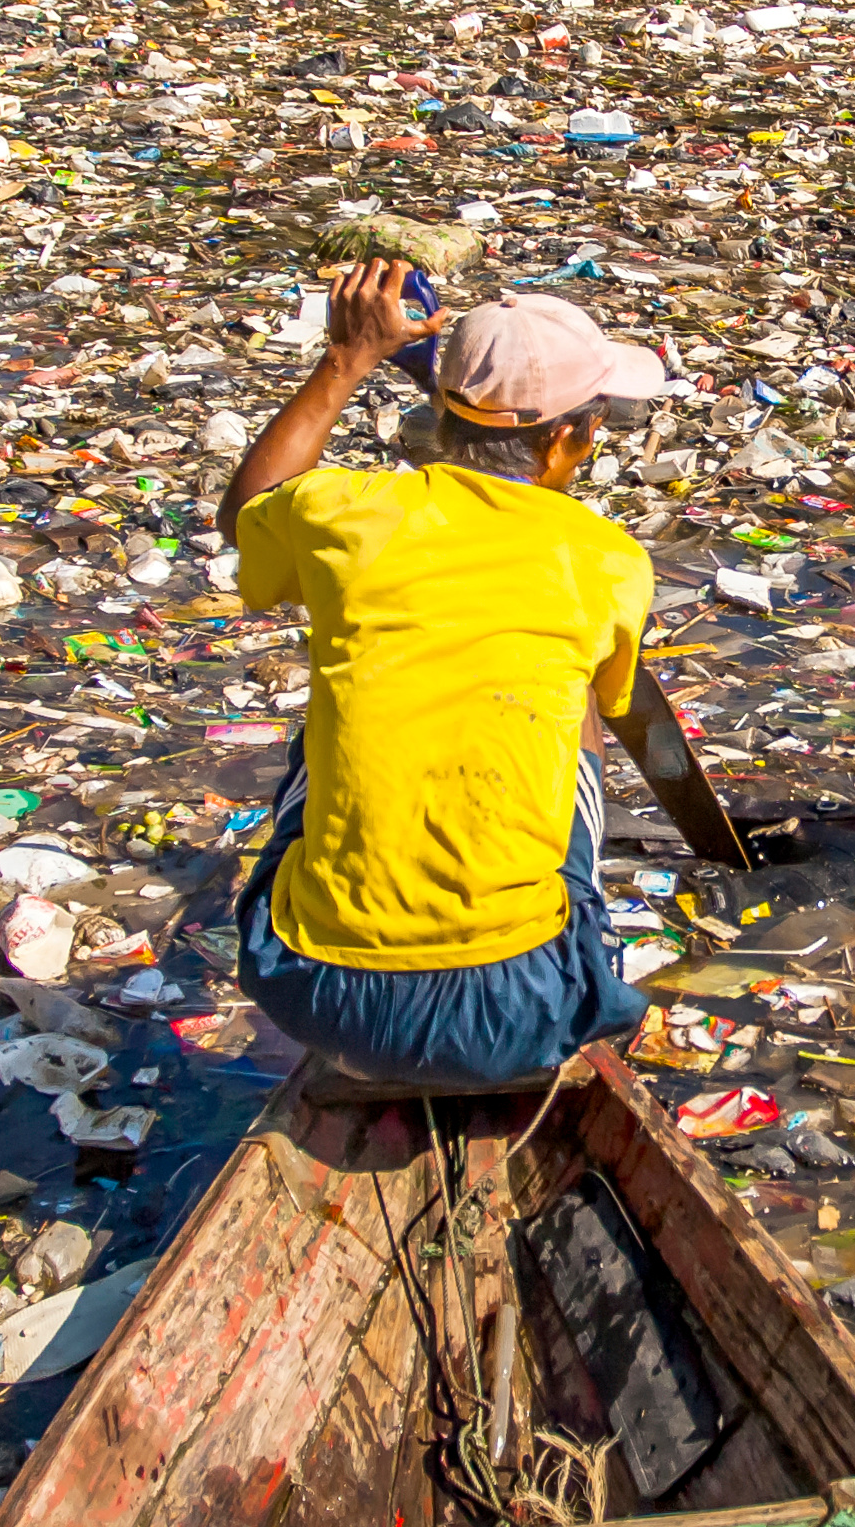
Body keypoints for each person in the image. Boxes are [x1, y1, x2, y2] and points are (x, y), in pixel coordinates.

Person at [213, 259, 672, 1090]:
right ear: (573, 437)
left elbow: (244, 516)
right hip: (519, 1007)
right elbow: (603, 704)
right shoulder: (607, 560)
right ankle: (566, 958)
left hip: (307, 992)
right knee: (573, 714)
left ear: (439, 411)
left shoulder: (341, 512)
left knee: (331, 727)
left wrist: (345, 361)